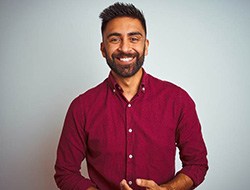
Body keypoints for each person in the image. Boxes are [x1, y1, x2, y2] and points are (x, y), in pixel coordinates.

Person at [54, 2, 208, 190]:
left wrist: (167, 189)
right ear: (103, 49)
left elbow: (197, 164)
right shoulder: (81, 107)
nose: (125, 48)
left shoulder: (178, 100)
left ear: (146, 46)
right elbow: (65, 172)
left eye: (134, 39)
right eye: (115, 39)